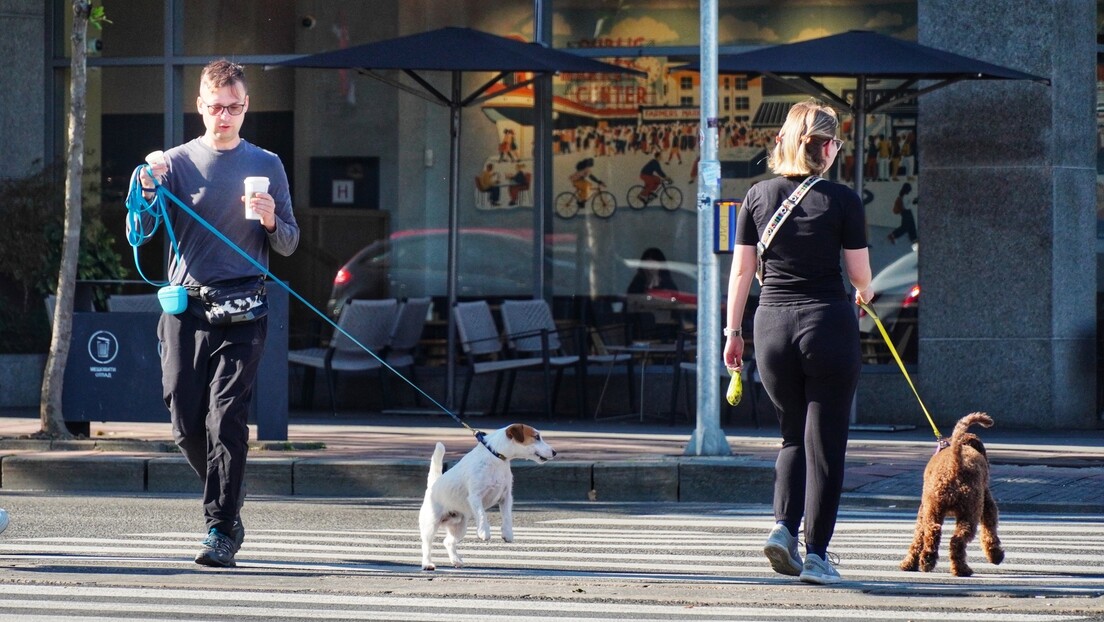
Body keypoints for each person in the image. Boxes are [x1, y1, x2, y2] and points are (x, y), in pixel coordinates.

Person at [133, 59, 300, 568]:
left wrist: (272, 222)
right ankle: (228, 492)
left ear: (245, 107)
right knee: (185, 419)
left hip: (246, 306)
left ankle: (221, 528)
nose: (223, 115)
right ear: (200, 106)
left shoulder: (267, 163)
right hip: (186, 306)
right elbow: (140, 228)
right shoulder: (176, 162)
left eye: (233, 107)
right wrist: (145, 187)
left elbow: (290, 244)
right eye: (214, 106)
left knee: (226, 417)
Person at [722, 99, 872, 585]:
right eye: (837, 143)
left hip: (769, 329)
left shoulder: (756, 196)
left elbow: (742, 271)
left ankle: (783, 528)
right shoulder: (844, 200)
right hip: (826, 324)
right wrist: (866, 295)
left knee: (791, 436)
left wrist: (733, 332)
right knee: (825, 444)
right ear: (827, 147)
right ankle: (818, 556)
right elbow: (860, 278)